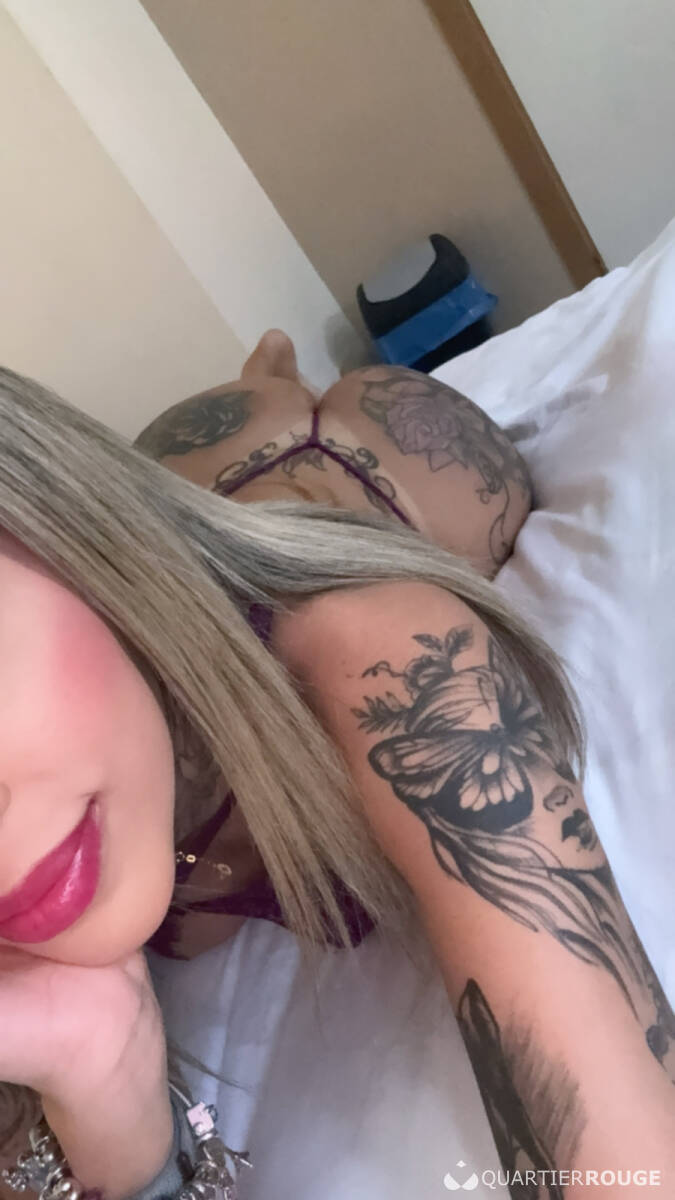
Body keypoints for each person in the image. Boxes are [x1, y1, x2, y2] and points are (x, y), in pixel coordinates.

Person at [0, 340, 672, 1200]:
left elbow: (622, 1163)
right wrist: (106, 1090)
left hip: (367, 478)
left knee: (426, 460)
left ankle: (273, 379)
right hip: (185, 499)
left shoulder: (387, 660)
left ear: (66, 515)